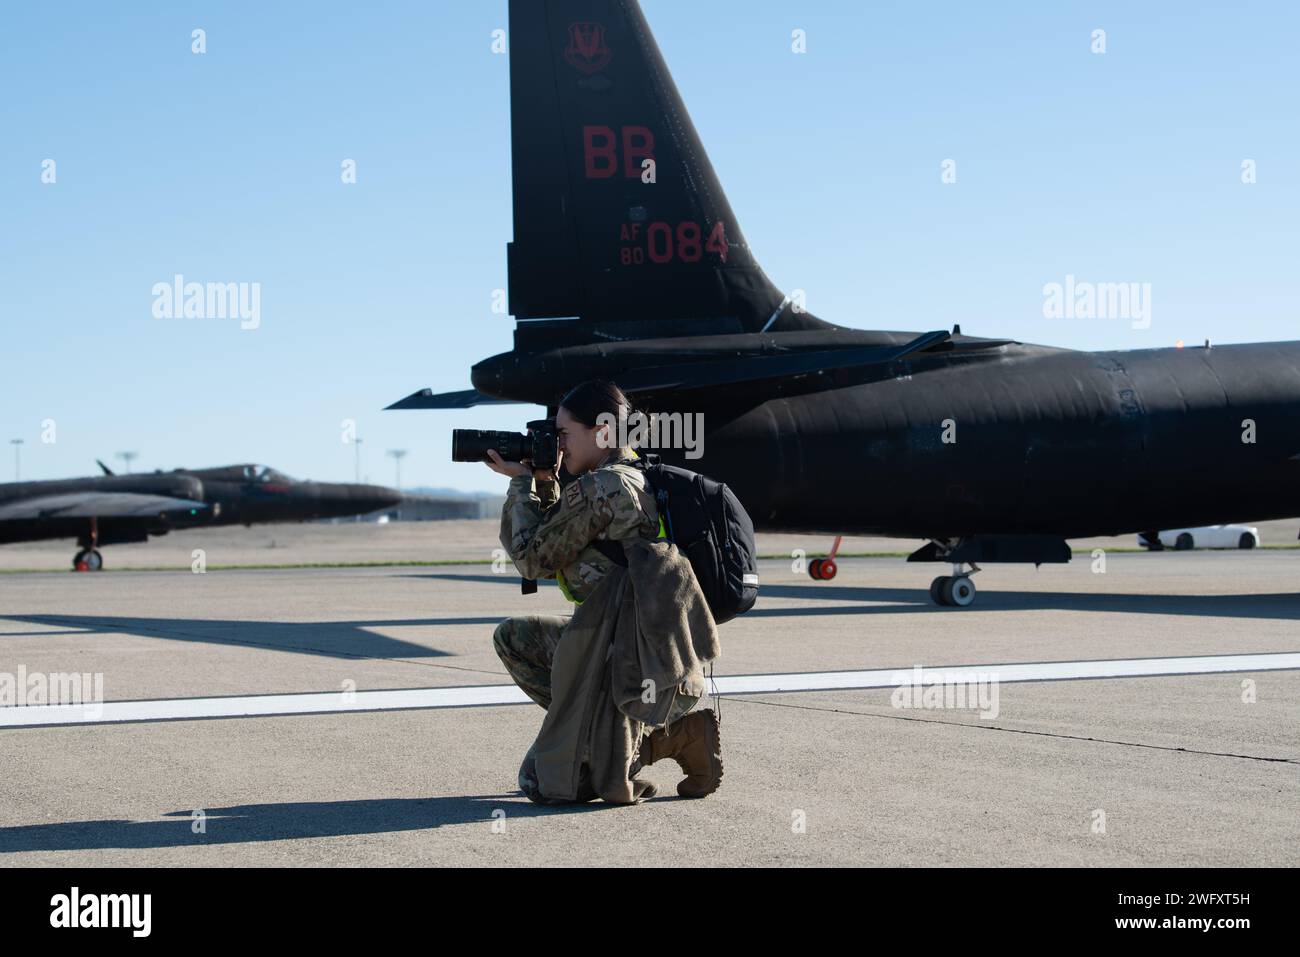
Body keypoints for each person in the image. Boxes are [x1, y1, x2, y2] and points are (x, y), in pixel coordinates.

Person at [487, 379, 723, 802]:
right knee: (514, 637)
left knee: (542, 781)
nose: (557, 446)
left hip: (631, 664)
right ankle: (613, 740)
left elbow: (531, 558)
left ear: (601, 431)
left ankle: (666, 739)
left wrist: (520, 484)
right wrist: (544, 479)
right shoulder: (635, 474)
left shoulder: (602, 487)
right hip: (654, 659)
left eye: (563, 436)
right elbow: (562, 538)